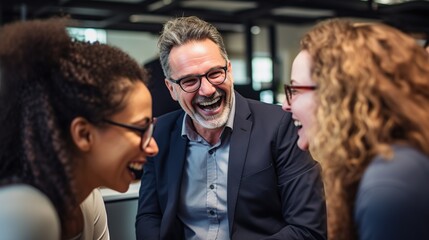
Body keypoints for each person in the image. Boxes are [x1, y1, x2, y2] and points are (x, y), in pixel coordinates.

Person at [136, 16, 327, 240]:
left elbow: (308, 229)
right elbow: (149, 216)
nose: (207, 90)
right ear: (171, 89)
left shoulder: (279, 124)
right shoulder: (160, 133)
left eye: (215, 73)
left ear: (229, 70)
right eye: (189, 81)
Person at [0, 18, 159, 239]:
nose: (153, 147)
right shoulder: (26, 214)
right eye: (141, 129)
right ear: (83, 134)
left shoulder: (87, 200)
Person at [283, 18, 429, 240]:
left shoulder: (389, 184)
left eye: (295, 90)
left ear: (338, 96)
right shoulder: (383, 165)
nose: (286, 105)